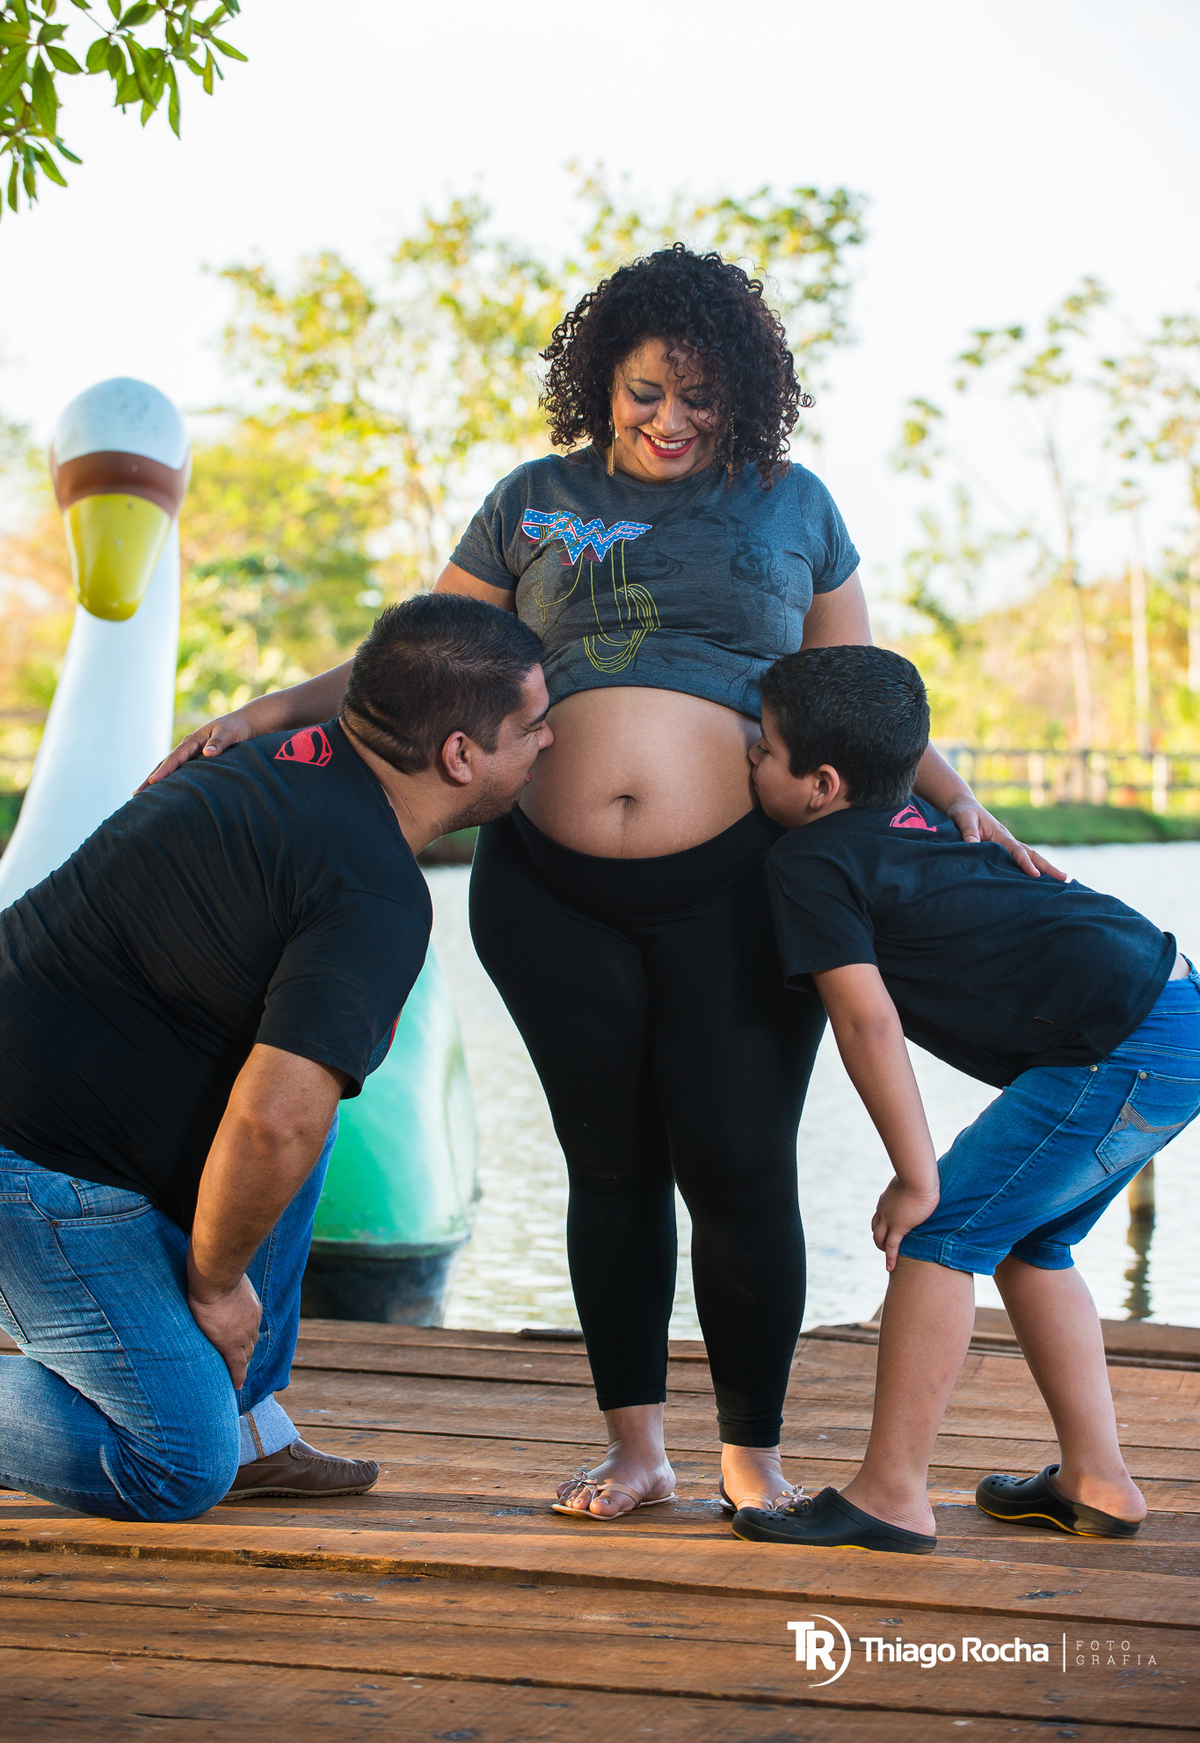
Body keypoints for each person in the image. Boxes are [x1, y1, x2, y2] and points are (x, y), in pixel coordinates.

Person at [149, 245, 1056, 1520]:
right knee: (609, 1168)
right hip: (548, 893)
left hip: (744, 892)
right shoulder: (532, 500)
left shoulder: (795, 505)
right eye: (645, 393)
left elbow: (859, 705)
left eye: (701, 398)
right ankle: (638, 1450)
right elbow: (410, 668)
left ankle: (752, 1460)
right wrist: (259, 714)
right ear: (602, 384)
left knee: (740, 1165)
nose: (671, 420)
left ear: (744, 396)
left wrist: (955, 799)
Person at [0, 595, 549, 1520]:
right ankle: (218, 1430)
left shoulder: (276, 761)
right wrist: (216, 1288)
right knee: (176, 1463)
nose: (551, 742)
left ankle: (251, 1427)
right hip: (31, 1169)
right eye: (533, 727)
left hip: (83, 1132)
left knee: (309, 1087)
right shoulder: (375, 895)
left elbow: (288, 1113)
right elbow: (267, 1125)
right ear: (460, 756)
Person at [731, 643, 1199, 1553]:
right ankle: (1097, 1481)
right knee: (1033, 1242)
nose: (749, 758)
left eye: (764, 751)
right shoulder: (916, 809)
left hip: (1122, 1041)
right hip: (1170, 1008)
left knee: (938, 1234)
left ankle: (891, 1496)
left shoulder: (812, 859)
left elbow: (865, 1022)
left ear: (822, 785)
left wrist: (916, 1176)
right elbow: (903, 744)